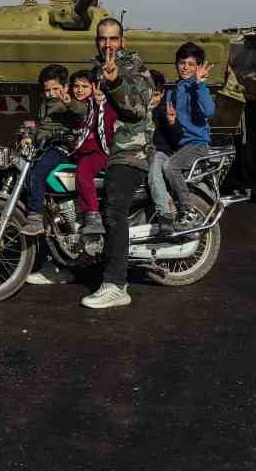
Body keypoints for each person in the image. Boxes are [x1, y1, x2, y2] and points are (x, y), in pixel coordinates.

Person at [80, 16, 155, 310]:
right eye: (102, 38)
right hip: (101, 145)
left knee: (113, 208)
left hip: (129, 149)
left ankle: (116, 285)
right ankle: (64, 262)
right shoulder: (94, 70)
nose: (108, 44)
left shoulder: (135, 69)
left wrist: (115, 83)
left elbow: (137, 109)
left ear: (122, 41)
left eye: (113, 38)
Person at [17, 64, 82, 238]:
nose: (51, 93)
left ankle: (35, 218)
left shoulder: (69, 102)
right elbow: (38, 124)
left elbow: (81, 111)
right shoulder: (44, 103)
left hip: (59, 148)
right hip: (43, 146)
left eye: (56, 89)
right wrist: (29, 136)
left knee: (37, 173)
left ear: (65, 87)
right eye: (47, 90)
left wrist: (69, 102)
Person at [161, 41, 216, 224]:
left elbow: (209, 111)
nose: (185, 68)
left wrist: (199, 84)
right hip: (177, 144)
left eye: (191, 64)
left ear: (199, 67)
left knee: (170, 167)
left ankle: (187, 209)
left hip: (196, 144)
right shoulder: (172, 90)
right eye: (182, 62)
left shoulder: (198, 88)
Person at [65, 69, 116, 238]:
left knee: (83, 174)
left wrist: (99, 102)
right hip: (78, 151)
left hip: (97, 152)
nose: (79, 90)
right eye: (76, 86)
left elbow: (105, 123)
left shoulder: (97, 104)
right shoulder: (75, 103)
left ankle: (93, 216)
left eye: (84, 86)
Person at [147, 68, 178, 226]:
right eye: (148, 94)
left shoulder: (163, 112)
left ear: (162, 93)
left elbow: (175, 140)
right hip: (139, 153)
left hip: (159, 153)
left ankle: (165, 212)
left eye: (156, 95)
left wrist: (172, 122)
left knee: (154, 172)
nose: (152, 99)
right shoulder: (136, 110)